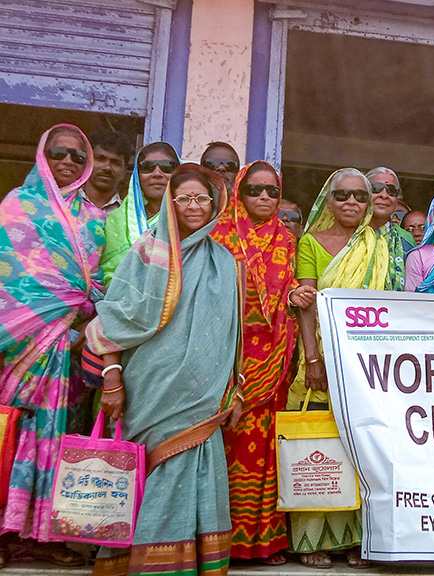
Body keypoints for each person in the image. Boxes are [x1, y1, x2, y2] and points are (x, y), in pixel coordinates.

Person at [85, 164, 243, 576]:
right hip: (150, 389)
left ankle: (187, 564)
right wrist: (112, 377)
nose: (193, 205)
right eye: (184, 198)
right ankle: (141, 565)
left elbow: (231, 333)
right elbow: (112, 317)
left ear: (215, 205)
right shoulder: (146, 251)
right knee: (152, 474)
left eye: (201, 198)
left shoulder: (225, 261)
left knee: (196, 474)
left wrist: (234, 390)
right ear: (170, 204)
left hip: (204, 396)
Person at [0, 124, 103, 567]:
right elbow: (8, 279)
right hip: (20, 343)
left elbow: (98, 283)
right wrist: (50, 308)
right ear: (43, 154)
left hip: (71, 347)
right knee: (13, 433)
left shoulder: (96, 219)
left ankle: (51, 537)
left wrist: (85, 306)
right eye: (59, 153)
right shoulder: (14, 207)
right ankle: (6, 534)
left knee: (62, 436)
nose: (67, 162)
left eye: (78, 157)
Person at [210, 161, 314, 565]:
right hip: (225, 360)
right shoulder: (218, 234)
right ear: (239, 191)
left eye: (273, 191)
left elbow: (283, 291)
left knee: (265, 450)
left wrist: (294, 298)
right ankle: (217, 540)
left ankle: (260, 540)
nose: (266, 198)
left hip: (272, 362)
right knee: (223, 448)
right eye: (256, 190)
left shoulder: (286, 240)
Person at [286, 168, 389, 569]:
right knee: (318, 445)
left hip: (365, 363)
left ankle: (357, 539)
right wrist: (313, 359)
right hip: (321, 359)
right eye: (343, 196)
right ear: (328, 201)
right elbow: (306, 305)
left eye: (360, 197)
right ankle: (312, 541)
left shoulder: (378, 245)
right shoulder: (310, 242)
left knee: (361, 446)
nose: (352, 203)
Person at [100, 142, 181, 287]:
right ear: (137, 176)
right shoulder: (118, 219)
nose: (157, 174)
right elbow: (108, 270)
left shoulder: (190, 217)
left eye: (167, 167)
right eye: (148, 167)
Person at [366, 167, 416, 290]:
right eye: (376, 188)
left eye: (391, 191)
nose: (384, 195)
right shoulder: (348, 233)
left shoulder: (406, 239)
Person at [81, 130, 132, 215]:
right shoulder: (65, 204)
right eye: (100, 159)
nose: (107, 167)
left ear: (124, 172)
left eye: (115, 162)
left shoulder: (129, 216)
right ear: (87, 163)